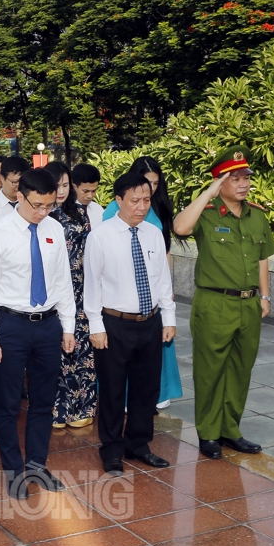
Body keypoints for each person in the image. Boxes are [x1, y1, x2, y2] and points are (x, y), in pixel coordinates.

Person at [0, 168, 75, 499]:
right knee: (7, 404)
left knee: (43, 401)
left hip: (47, 325)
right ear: (20, 196)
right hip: (11, 325)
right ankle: (14, 471)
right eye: (37, 205)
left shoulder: (54, 229)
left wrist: (68, 326)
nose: (43, 212)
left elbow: (63, 281)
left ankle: (37, 464)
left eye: (49, 205)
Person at [173, 145, 274, 460]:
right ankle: (208, 434)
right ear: (220, 182)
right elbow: (180, 227)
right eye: (236, 179)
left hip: (248, 304)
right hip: (215, 303)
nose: (244, 184)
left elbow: (262, 259)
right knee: (210, 370)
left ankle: (230, 430)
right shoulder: (206, 213)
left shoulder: (257, 215)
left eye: (246, 178)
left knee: (240, 370)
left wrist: (265, 296)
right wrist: (209, 192)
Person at [84, 172, 175, 476]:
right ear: (118, 200)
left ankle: (138, 443)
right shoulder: (100, 236)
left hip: (149, 321)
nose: (142, 206)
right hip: (114, 323)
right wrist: (96, 325)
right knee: (112, 389)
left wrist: (168, 317)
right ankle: (111, 449)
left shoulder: (153, 233)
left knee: (146, 388)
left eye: (146, 200)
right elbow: (92, 284)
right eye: (135, 200)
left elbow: (163, 280)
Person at [104, 156, 183, 410]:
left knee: (157, 345)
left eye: (156, 184)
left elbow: (164, 249)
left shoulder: (156, 206)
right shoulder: (113, 211)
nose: (151, 189)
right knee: (122, 358)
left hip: (153, 292)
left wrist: (166, 289)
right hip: (123, 299)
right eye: (147, 182)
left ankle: (159, 392)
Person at [45, 161, 97, 429]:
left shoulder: (79, 212)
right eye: (57, 186)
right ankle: (57, 409)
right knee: (55, 352)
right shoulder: (41, 215)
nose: (62, 191)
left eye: (66, 185)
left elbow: (89, 251)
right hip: (52, 290)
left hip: (79, 288)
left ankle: (83, 407)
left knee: (81, 349)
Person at [71, 163, 104, 229]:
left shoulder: (98, 210)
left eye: (93, 191)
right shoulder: (64, 211)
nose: (90, 196)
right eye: (85, 191)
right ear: (74, 187)